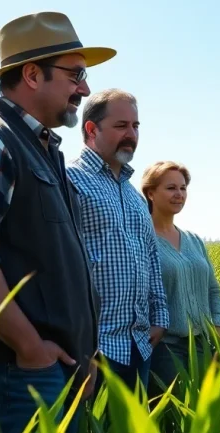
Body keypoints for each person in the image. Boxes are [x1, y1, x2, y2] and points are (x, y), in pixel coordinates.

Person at [0, 11, 115, 433]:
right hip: (13, 376)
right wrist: (31, 348)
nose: (84, 89)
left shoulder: (43, 149)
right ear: (32, 74)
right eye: (76, 75)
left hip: (47, 372)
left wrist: (81, 352)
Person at [66, 88, 168, 396]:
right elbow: (59, 266)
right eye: (121, 126)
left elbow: (150, 257)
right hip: (95, 349)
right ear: (91, 129)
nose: (131, 134)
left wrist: (160, 318)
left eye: (135, 126)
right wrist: (79, 346)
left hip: (140, 345)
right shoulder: (68, 179)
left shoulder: (135, 196)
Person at [140, 160, 220, 399]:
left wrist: (219, 328)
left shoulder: (194, 240)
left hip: (204, 346)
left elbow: (213, 290)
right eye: (170, 188)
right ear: (150, 193)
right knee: (173, 417)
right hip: (165, 350)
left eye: (183, 188)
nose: (179, 194)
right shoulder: (141, 240)